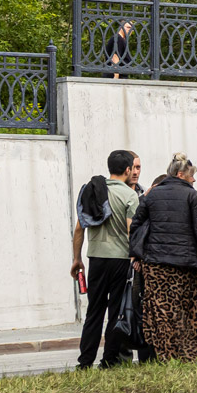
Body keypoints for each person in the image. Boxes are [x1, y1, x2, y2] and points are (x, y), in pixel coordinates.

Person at [129, 153, 197, 362]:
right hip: (185, 266)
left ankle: (167, 356)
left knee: (162, 313)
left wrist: (139, 255)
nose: (194, 180)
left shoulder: (151, 196)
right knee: (189, 313)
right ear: (180, 175)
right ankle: (194, 355)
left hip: (156, 266)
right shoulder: (193, 197)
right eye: (191, 176)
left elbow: (135, 227)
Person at [71, 150, 146, 368]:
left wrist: (77, 259)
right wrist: (136, 257)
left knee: (94, 312)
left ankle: (84, 363)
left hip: (95, 259)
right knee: (116, 311)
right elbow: (133, 231)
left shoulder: (93, 190)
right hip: (120, 260)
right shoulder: (130, 196)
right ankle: (109, 360)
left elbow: (79, 229)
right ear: (127, 170)